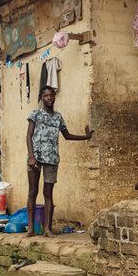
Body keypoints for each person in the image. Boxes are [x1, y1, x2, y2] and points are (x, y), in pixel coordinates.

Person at [26, 85, 93, 236]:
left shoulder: (58, 117)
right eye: (46, 95)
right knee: (32, 191)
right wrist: (31, 156)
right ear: (42, 98)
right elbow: (28, 136)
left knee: (48, 193)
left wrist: (86, 137)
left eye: (51, 95)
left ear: (54, 97)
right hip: (35, 158)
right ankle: (31, 228)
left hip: (52, 158)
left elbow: (67, 135)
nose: (49, 98)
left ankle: (47, 229)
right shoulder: (35, 114)